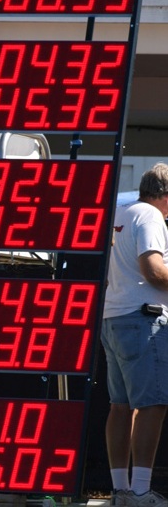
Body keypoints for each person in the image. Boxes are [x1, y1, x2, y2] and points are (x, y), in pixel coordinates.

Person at [101, 163, 168, 507]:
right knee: (152, 404)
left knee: (120, 406)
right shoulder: (152, 217)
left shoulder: (122, 210)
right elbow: (154, 271)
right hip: (142, 320)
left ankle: (121, 491)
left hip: (113, 318)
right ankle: (140, 492)